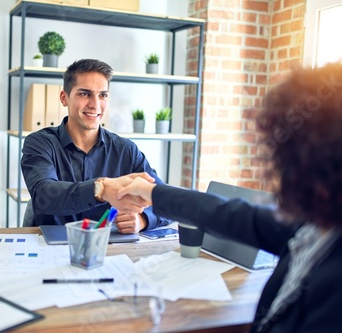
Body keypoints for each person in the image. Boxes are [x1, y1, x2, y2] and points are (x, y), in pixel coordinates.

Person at [116, 63, 342, 332]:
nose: (279, 174)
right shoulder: (313, 229)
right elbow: (222, 213)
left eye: (284, 159)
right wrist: (151, 192)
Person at [21, 59, 170, 233]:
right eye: (84, 94)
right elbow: (44, 196)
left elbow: (165, 200)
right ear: (64, 98)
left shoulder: (125, 150)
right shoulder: (40, 143)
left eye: (102, 95)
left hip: (107, 248)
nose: (95, 104)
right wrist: (102, 189)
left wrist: (142, 219)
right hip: (49, 244)